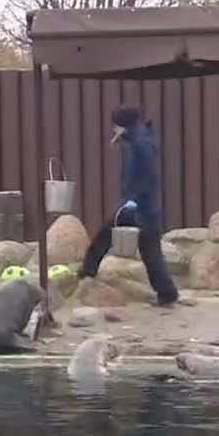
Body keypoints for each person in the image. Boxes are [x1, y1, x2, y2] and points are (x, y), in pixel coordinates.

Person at [78, 104, 179, 307]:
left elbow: (147, 173)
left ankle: (167, 293)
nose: (113, 129)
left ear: (123, 124)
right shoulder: (139, 137)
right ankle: (88, 269)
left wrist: (136, 198)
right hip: (140, 202)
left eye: (116, 125)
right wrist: (124, 138)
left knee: (149, 251)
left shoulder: (141, 144)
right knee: (110, 233)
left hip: (142, 205)